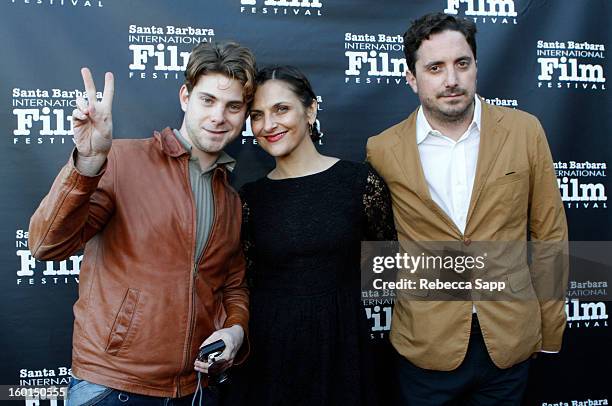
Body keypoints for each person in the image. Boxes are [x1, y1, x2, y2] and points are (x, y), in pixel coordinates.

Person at [28, 41, 256, 405]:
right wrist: (87, 165)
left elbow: (233, 285)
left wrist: (235, 331)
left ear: (244, 113)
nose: (218, 117)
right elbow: (45, 246)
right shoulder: (121, 161)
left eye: (233, 106)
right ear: (185, 97)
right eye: (208, 100)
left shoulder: (229, 198)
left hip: (194, 391)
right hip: (112, 387)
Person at [366, 12, 568, 406]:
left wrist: (551, 327)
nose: (451, 80)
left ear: (476, 66)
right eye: (435, 68)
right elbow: (380, 245)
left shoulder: (525, 131)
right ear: (411, 78)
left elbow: (549, 235)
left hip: (509, 341)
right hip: (425, 346)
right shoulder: (383, 149)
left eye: (462, 63)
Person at [227, 65, 397, 405]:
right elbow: (241, 281)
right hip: (268, 351)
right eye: (257, 115)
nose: (268, 125)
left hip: (344, 345)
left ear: (311, 110)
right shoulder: (249, 198)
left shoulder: (359, 183)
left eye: (281, 109)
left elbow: (387, 268)